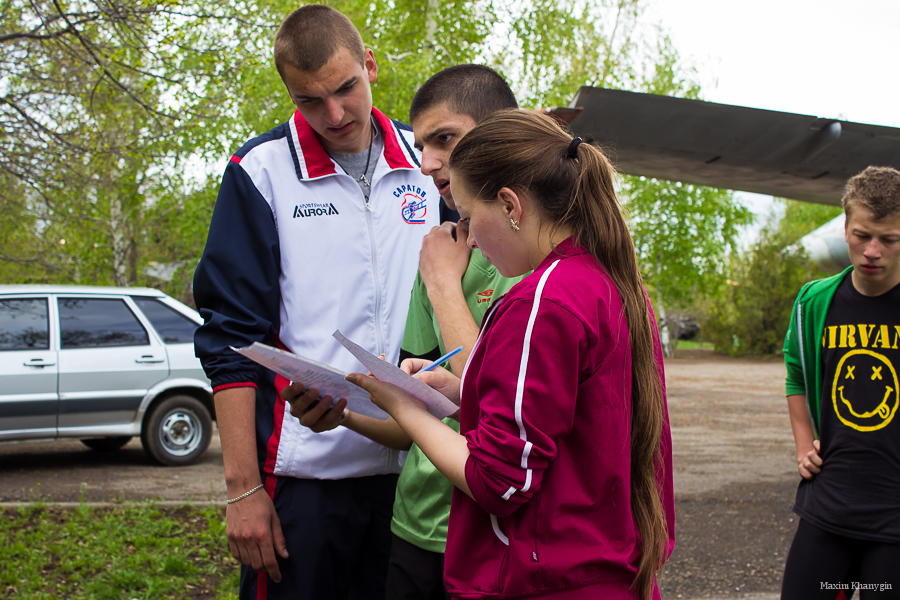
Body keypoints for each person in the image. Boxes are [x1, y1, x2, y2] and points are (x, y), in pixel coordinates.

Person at [331, 109, 675, 599]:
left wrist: (404, 409)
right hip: (607, 572)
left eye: (470, 218)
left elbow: (500, 480)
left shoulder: (540, 300)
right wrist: (465, 390)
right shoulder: (611, 281)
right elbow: (577, 418)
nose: (467, 237)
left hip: (542, 581)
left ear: (511, 205)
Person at [191, 5, 440, 600]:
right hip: (305, 476)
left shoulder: (431, 166)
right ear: (289, 95)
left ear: (369, 65)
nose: (334, 114)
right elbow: (229, 338)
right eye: (310, 101)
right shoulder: (262, 171)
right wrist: (243, 489)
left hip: (419, 476)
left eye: (346, 88)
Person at [287, 64, 524, 600]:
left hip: (499, 534)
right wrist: (345, 409)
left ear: (504, 131)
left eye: (445, 139)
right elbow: (424, 411)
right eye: (422, 145)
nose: (428, 163)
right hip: (415, 530)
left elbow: (494, 400)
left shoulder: (542, 264)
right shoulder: (439, 252)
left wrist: (442, 283)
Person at [781, 166, 900, 600]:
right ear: (846, 226)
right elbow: (795, 372)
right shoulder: (813, 302)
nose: (872, 251)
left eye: (889, 239)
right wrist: (802, 443)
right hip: (828, 507)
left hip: (894, 523)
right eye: (862, 235)